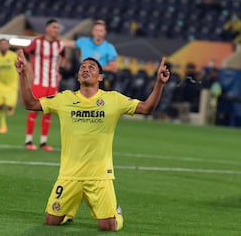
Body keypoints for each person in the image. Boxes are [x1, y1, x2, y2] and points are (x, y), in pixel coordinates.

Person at [15, 49, 170, 231]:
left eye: (91, 67)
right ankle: (69, 211)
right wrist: (23, 75)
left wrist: (159, 83)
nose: (85, 69)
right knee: (51, 222)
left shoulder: (113, 99)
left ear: (100, 78)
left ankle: (116, 213)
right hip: (70, 174)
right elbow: (30, 104)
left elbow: (146, 108)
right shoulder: (64, 98)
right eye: (82, 67)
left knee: (108, 226)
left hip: (99, 176)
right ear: (79, 76)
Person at [22, 18, 66, 151]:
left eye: (57, 28)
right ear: (47, 29)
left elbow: (64, 56)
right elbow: (24, 52)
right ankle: (28, 140)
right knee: (34, 110)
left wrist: (60, 70)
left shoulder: (59, 44)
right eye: (54, 27)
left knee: (48, 112)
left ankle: (43, 142)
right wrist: (29, 69)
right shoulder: (37, 42)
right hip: (39, 82)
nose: (56, 30)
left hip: (53, 83)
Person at [64, 19, 118, 91]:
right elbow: (66, 43)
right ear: (92, 31)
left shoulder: (109, 47)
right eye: (96, 30)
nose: (98, 33)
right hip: (82, 79)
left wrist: (95, 67)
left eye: (101, 31)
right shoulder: (84, 41)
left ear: (104, 32)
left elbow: (114, 68)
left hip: (97, 81)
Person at [0, 38, 18, 134]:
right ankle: (3, 126)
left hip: (12, 84)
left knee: (9, 104)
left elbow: (21, 66)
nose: (3, 46)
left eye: (4, 44)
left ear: (8, 46)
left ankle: (10, 108)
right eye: (1, 44)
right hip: (1, 84)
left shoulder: (13, 56)